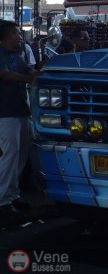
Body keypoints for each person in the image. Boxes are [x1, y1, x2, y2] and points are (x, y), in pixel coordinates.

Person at [0, 21, 39, 224]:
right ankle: (3, 201)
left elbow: (28, 70)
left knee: (21, 154)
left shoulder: (16, 54)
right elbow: (5, 75)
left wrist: (36, 74)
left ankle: (13, 195)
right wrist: (29, 78)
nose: (19, 37)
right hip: (4, 113)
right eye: (16, 33)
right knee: (9, 155)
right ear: (7, 35)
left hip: (20, 110)